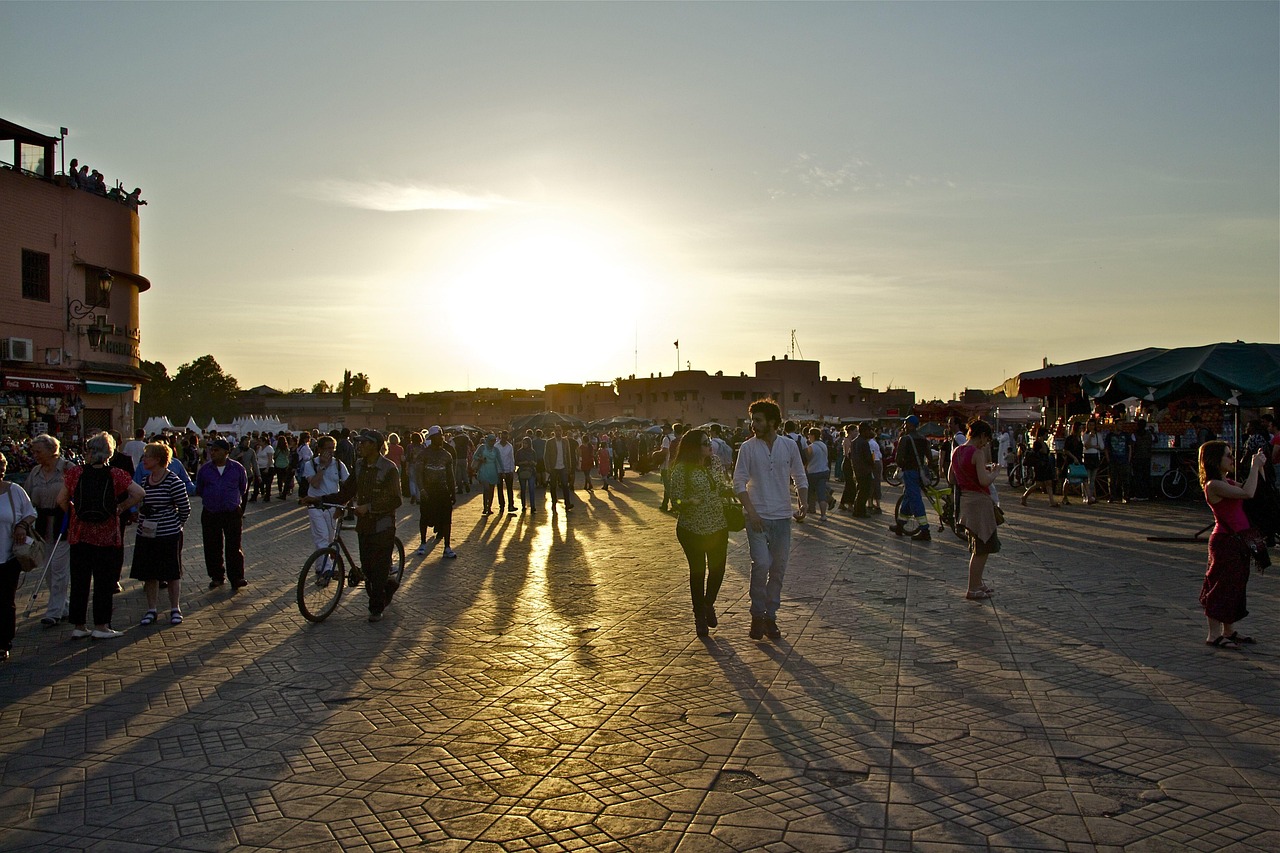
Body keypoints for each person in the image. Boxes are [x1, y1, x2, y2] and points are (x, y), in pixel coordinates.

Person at [57, 432, 145, 640]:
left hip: (79, 534)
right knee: (104, 582)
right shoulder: (116, 473)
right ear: (109, 453)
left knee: (80, 581)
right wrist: (121, 507)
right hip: (107, 534)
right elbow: (140, 493)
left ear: (89, 451)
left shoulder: (75, 473)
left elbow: (60, 499)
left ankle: (79, 625)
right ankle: (101, 625)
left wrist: (74, 514)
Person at [733, 400, 808, 641]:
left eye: (758, 420)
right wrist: (751, 512)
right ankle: (757, 614)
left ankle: (770, 616)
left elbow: (799, 475)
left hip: (782, 518)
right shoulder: (748, 448)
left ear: (773, 422)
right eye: (752, 420)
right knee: (761, 564)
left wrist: (803, 503)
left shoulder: (788, 446)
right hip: (757, 517)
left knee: (778, 568)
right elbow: (738, 482)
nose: (753, 425)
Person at [1198, 441, 1269, 649]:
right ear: (1215, 460)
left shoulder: (1227, 481)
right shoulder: (1213, 485)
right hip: (1225, 541)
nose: (1232, 459)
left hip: (1239, 540)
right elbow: (1247, 493)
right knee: (1220, 586)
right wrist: (1254, 467)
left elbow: (1256, 490)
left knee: (1236, 586)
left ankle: (1228, 631)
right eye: (1228, 455)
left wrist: (1260, 467)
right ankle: (1213, 635)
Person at [669, 429, 730, 637]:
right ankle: (699, 616)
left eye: (709, 441)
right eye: (705, 443)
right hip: (691, 529)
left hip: (718, 525)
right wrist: (688, 502)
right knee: (698, 572)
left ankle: (707, 604)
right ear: (694, 447)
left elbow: (721, 486)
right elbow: (674, 501)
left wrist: (731, 491)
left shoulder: (714, 463)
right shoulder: (681, 470)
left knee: (718, 570)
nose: (709, 445)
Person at [337, 430, 403, 622]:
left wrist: (370, 507)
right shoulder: (359, 466)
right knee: (367, 569)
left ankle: (376, 608)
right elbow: (347, 490)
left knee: (379, 569)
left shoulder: (388, 468)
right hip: (364, 526)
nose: (359, 446)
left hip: (383, 526)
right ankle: (389, 586)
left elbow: (395, 499)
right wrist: (321, 500)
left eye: (363, 443)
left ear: (374, 445)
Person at [132, 442, 192, 626]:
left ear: (158, 459)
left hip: (168, 532)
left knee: (172, 572)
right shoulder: (144, 481)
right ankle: (151, 609)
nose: (144, 460)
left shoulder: (173, 481)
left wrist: (176, 524)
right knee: (150, 573)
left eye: (147, 456)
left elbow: (185, 508)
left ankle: (175, 608)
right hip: (147, 533)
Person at [948, 419, 1001, 600]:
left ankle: (978, 583)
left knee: (977, 545)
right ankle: (972, 587)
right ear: (983, 435)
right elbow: (984, 481)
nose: (986, 443)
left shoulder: (956, 451)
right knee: (982, 547)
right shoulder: (977, 453)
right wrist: (995, 472)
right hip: (980, 502)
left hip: (966, 501)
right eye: (986, 439)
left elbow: (950, 477)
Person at [26, 435, 72, 627]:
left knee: (60, 569)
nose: (35, 455)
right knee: (49, 570)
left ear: (52, 450)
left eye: (38, 451)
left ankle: (53, 611)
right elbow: (27, 499)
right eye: (33, 451)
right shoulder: (35, 472)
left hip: (63, 523)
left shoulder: (68, 468)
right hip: (43, 526)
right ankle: (63, 605)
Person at [195, 438, 249, 590]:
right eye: (211, 450)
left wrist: (231, 500)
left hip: (231, 512)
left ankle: (236, 577)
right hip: (211, 512)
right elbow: (199, 489)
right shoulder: (205, 470)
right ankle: (217, 576)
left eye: (216, 450)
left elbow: (242, 487)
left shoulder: (237, 468)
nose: (212, 453)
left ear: (226, 452)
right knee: (212, 545)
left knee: (234, 546)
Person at [1, 453, 38, 660]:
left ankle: (4, 641)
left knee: (5, 600)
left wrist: (23, 525)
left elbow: (31, 512)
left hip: (8, 556)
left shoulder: (14, 491)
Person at [299, 435, 350, 578]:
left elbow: (347, 487)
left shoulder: (339, 465)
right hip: (316, 506)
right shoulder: (311, 465)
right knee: (321, 536)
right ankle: (327, 569)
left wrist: (341, 506)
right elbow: (314, 483)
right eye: (327, 449)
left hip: (332, 506)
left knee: (329, 539)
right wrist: (322, 467)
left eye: (332, 449)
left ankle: (320, 565)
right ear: (319, 449)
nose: (330, 452)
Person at [414, 426, 457, 558]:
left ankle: (447, 546)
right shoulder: (424, 454)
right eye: (438, 436)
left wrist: (453, 491)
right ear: (432, 438)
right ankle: (422, 543)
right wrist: (421, 489)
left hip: (442, 490)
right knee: (425, 517)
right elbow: (418, 473)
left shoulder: (446, 455)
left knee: (446, 519)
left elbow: (450, 475)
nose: (441, 438)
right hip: (428, 490)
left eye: (442, 436)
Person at [889, 416, 934, 541]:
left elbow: (898, 459)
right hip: (921, 473)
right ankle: (900, 525)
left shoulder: (905, 439)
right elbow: (930, 458)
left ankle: (925, 530)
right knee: (908, 497)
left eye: (905, 424)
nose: (903, 426)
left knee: (915, 499)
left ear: (909, 425)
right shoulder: (924, 439)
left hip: (910, 472)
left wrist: (902, 467)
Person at [1020, 426, 1061, 508]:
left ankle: (1051, 501)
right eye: (1045, 435)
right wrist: (1041, 442)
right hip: (1040, 466)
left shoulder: (1044, 443)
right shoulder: (1037, 443)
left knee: (1048, 483)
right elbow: (1044, 451)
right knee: (1038, 484)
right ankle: (1024, 496)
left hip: (1045, 465)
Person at [544, 426, 576, 512]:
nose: (558, 432)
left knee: (565, 485)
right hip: (553, 467)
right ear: (554, 432)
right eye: (556, 431)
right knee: (553, 486)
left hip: (563, 467)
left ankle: (567, 503)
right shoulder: (549, 442)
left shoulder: (565, 442)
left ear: (562, 432)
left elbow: (568, 454)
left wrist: (569, 466)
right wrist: (547, 467)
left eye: (559, 430)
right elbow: (546, 456)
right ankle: (554, 502)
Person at [803, 427, 830, 521]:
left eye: (809, 435)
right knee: (821, 493)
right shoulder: (823, 445)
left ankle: (809, 509)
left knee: (809, 492)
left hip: (813, 472)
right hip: (824, 471)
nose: (808, 437)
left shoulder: (811, 447)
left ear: (813, 436)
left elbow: (808, 459)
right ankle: (823, 515)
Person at [850, 423, 876, 518]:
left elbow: (850, 455)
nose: (869, 432)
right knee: (864, 491)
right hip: (865, 470)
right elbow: (868, 458)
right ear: (864, 431)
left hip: (857, 470)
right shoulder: (864, 443)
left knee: (860, 490)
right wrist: (872, 465)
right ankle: (860, 511)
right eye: (868, 430)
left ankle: (857, 510)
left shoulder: (854, 442)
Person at [472, 434, 501, 516]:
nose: (492, 442)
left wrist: (501, 470)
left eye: (494, 441)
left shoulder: (495, 449)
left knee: (491, 490)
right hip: (484, 469)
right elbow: (475, 456)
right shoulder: (481, 447)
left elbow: (498, 460)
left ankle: (489, 507)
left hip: (493, 470)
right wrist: (480, 459)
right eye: (491, 441)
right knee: (486, 488)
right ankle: (485, 507)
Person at [1081, 418, 1104, 505]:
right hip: (1087, 456)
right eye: (1090, 425)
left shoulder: (1099, 435)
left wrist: (1093, 446)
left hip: (1095, 456)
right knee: (1086, 478)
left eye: (1093, 425)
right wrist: (1090, 437)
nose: (1091, 427)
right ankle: (1085, 496)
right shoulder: (1085, 435)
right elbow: (1086, 446)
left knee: (1093, 479)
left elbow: (1101, 446)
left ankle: (1091, 496)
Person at [515, 436, 539, 513]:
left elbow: (536, 462)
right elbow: (516, 462)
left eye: (526, 443)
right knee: (523, 489)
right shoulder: (519, 452)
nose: (524, 445)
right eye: (523, 443)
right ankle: (523, 505)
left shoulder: (533, 452)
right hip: (522, 471)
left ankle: (533, 506)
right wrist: (523, 463)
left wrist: (532, 463)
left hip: (531, 471)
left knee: (531, 489)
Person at [496, 430, 517, 513]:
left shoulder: (510, 446)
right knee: (499, 489)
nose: (504, 439)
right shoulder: (496, 446)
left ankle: (511, 505)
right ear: (501, 437)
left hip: (508, 469)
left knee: (509, 489)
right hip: (499, 470)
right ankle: (501, 505)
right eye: (503, 437)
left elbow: (512, 458)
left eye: (506, 437)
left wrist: (512, 470)